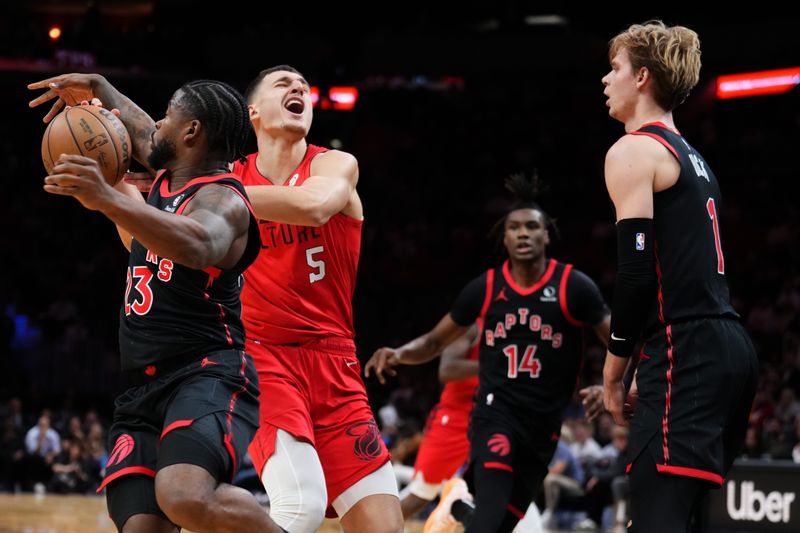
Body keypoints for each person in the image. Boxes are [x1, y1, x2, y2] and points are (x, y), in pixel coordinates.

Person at [29, 75, 285, 533]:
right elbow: (142, 127)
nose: (157, 124)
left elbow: (200, 242)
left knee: (184, 494)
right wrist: (97, 87)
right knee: (143, 525)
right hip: (142, 388)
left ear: (192, 133)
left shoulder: (224, 198)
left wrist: (108, 197)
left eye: (169, 114)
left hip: (207, 371)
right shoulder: (171, 174)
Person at [365, 173, 611, 533]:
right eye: (514, 227)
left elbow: (618, 340)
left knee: (497, 524)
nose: (523, 233)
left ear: (547, 235)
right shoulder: (486, 287)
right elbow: (435, 342)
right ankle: (463, 512)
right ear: (504, 237)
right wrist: (399, 353)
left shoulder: (574, 287)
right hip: (495, 416)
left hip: (542, 427)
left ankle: (461, 510)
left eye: (531, 226)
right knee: (487, 517)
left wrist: (613, 384)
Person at [600, 20, 759, 533]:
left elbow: (636, 276)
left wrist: (612, 373)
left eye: (616, 67)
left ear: (642, 77)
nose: (606, 79)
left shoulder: (633, 150)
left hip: (688, 350)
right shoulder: (694, 157)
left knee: (656, 521)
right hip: (729, 348)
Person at [233, 65, 401, 533]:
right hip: (263, 359)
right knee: (300, 507)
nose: (298, 90)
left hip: (336, 365)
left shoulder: (333, 166)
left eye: (303, 87)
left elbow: (313, 206)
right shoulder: (229, 174)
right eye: (283, 85)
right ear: (254, 113)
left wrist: (212, 193)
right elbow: (166, 163)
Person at [399, 324, 480, 519]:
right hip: (456, 418)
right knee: (420, 495)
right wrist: (495, 366)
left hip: (494, 414)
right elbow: (447, 369)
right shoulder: (471, 326)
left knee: (511, 485)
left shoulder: (520, 330)